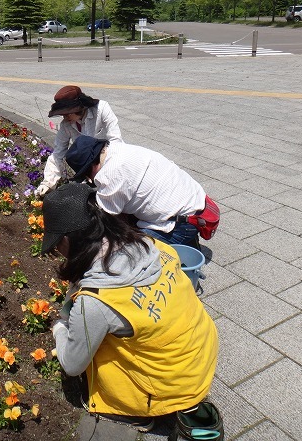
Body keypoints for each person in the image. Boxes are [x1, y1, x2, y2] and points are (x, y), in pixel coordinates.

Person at [42, 182, 219, 433]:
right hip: (202, 351)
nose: (57, 251)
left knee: (97, 359)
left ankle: (134, 413)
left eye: (57, 243)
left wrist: (59, 327)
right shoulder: (150, 244)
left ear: (69, 241)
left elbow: (72, 364)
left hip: (174, 382)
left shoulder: (95, 302)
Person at [65, 135, 206, 249]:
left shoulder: (110, 174)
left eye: (86, 175)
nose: (90, 180)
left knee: (126, 250)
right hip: (194, 204)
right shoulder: (116, 149)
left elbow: (105, 218)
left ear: (91, 167)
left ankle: (179, 244)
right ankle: (186, 242)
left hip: (181, 224)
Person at [35, 85, 122, 197]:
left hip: (109, 164)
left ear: (79, 108)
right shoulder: (66, 125)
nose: (65, 117)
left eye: (68, 113)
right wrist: (47, 183)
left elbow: (116, 140)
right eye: (62, 114)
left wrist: (107, 168)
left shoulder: (102, 109)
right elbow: (58, 154)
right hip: (87, 173)